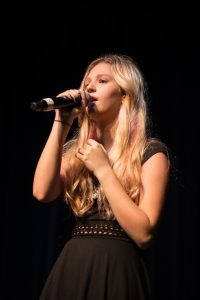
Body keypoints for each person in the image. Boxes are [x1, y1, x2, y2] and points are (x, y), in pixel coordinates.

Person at [33, 53, 170, 300]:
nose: (90, 87)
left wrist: (104, 170)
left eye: (102, 81)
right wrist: (61, 121)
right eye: (87, 83)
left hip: (119, 270)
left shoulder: (150, 153)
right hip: (74, 268)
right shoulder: (78, 153)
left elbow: (144, 233)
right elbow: (42, 192)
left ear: (124, 95)